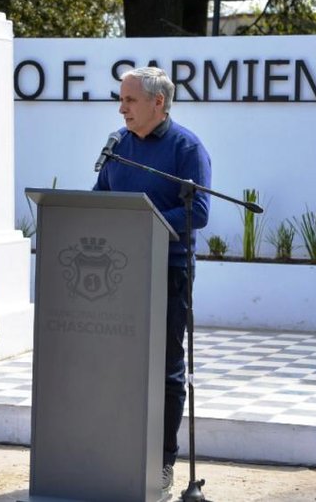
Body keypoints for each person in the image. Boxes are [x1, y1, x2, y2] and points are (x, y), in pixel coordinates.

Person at [93, 66, 211, 494]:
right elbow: (100, 201)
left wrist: (145, 224)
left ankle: (163, 462)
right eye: (121, 99)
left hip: (168, 270)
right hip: (115, 273)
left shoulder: (186, 148)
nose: (121, 108)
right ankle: (117, 452)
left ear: (157, 103)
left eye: (130, 100)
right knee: (116, 364)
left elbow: (197, 213)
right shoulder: (117, 146)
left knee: (164, 369)